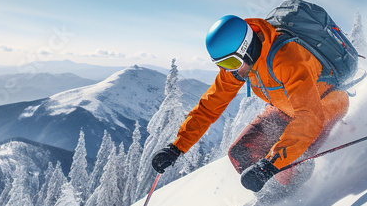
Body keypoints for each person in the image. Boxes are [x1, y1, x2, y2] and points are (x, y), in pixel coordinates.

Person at [150, 14, 350, 194]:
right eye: (222, 65)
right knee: (241, 153)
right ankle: (274, 190)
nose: (230, 71)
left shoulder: (288, 59)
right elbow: (210, 105)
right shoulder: (241, 66)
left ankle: (294, 195)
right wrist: (177, 147)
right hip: (285, 108)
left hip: (323, 105)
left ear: (247, 49)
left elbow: (309, 116)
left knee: (291, 161)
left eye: (230, 63)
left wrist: (270, 166)